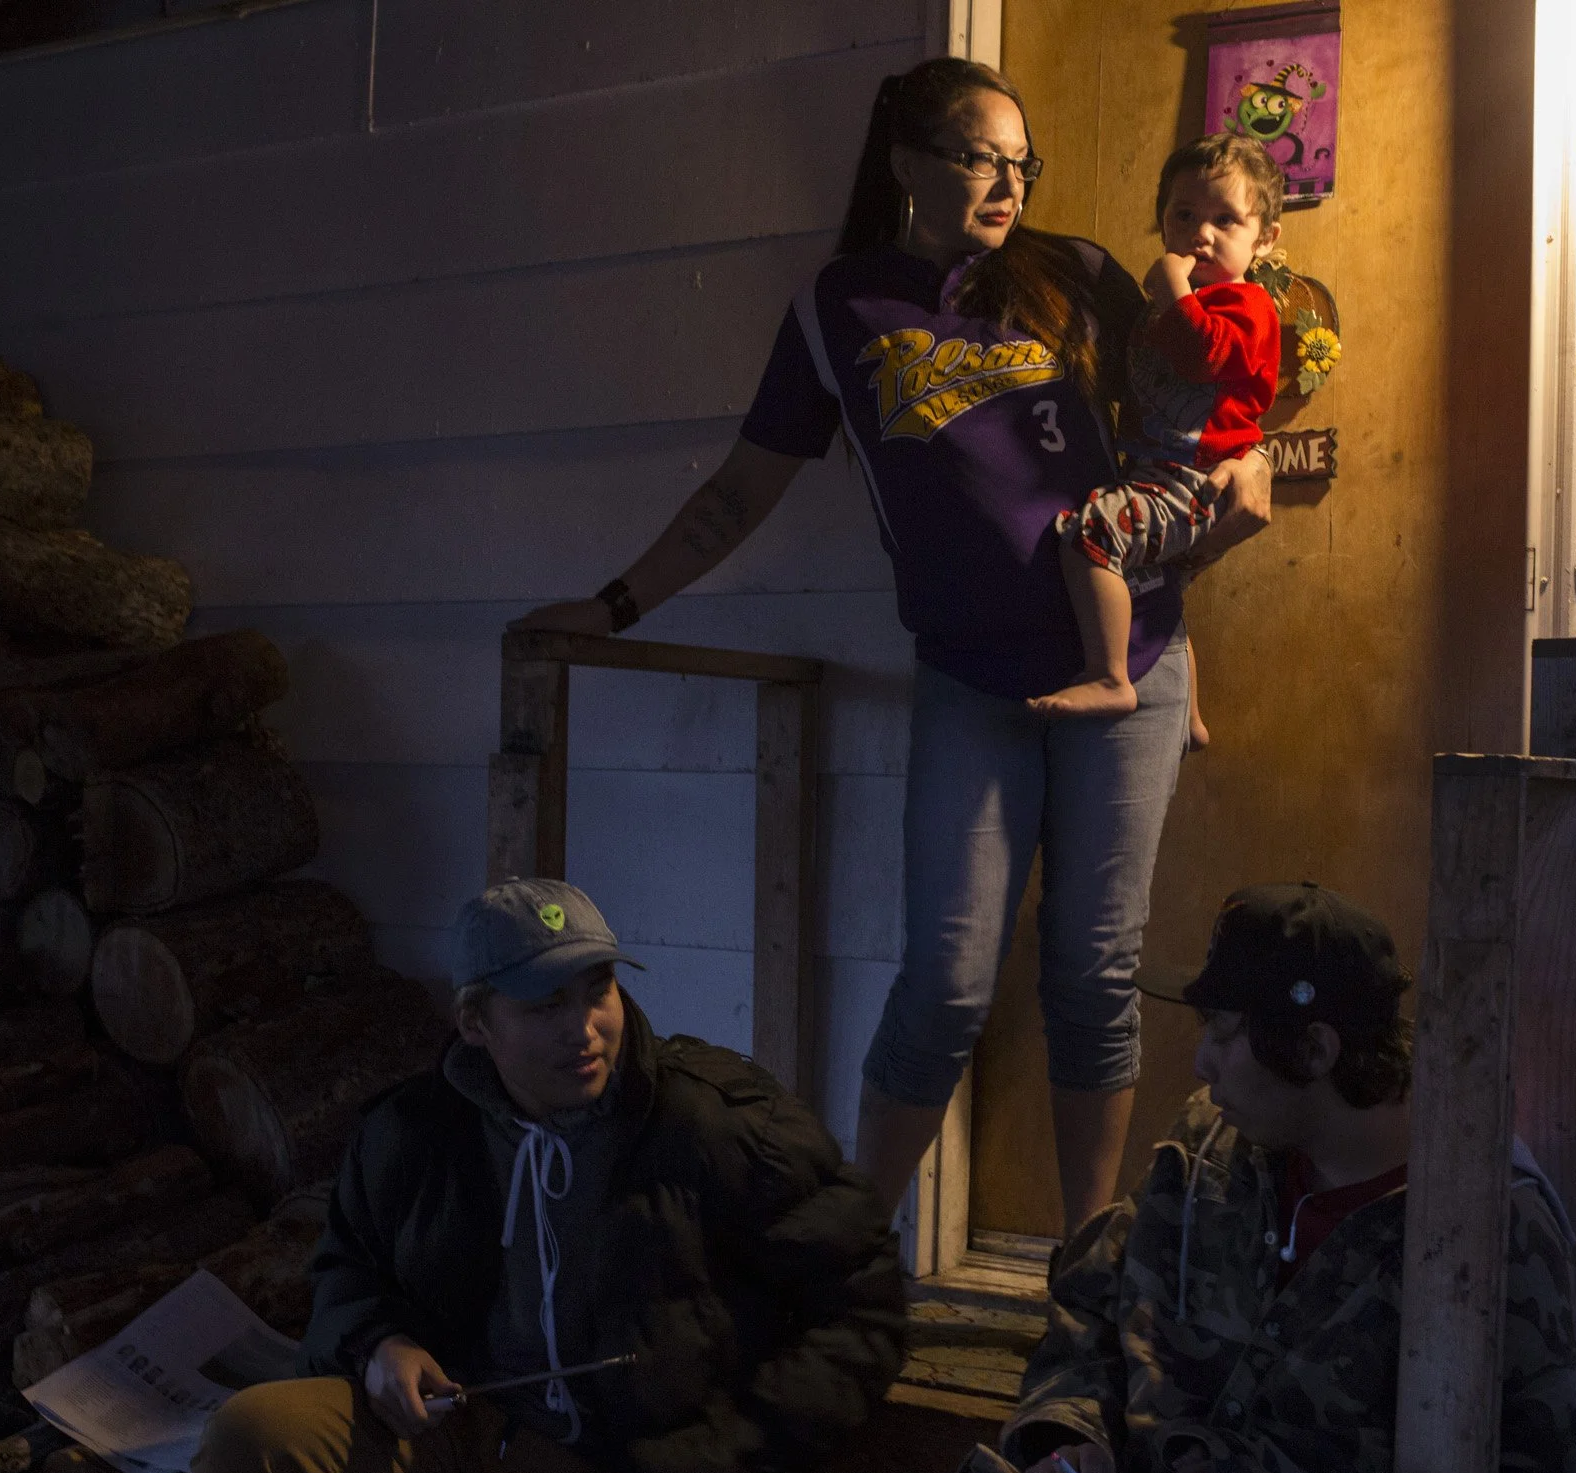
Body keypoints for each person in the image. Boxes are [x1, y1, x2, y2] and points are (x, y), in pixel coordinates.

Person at [517, 57, 1277, 1238]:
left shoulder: (1076, 274)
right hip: (973, 678)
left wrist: (1238, 507)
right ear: (909, 159)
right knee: (946, 981)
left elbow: (1176, 437)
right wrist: (615, 604)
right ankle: (860, 1246)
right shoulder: (840, 307)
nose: (1009, 182)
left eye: (1023, 162)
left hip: (1130, 661)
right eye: (982, 155)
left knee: (1094, 975)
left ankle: (1084, 1258)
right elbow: (739, 493)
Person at [769, 883, 1576, 1473]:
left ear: (1316, 1048)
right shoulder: (1210, 1145)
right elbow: (1093, 1308)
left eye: (1227, 1033)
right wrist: (1069, 1439)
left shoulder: (1483, 1228)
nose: (1202, 1063)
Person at [188, 879, 907, 1473]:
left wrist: (734, 1444)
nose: (585, 1028)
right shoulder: (416, 1130)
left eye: (598, 992)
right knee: (250, 1435)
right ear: (476, 1023)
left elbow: (863, 1304)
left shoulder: (714, 1127)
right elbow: (346, 1272)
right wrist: (380, 1344)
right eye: (545, 1006)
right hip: (459, 1431)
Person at [1027, 133, 1285, 749]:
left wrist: (1174, 291)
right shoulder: (1164, 308)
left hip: (1191, 479)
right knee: (1164, 590)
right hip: (1153, 470)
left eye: (1227, 220)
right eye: (1184, 215)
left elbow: (1202, 358)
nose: (1202, 233)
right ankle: (1190, 719)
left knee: (1090, 535)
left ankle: (1111, 676)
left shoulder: (1247, 305)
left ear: (1265, 238)